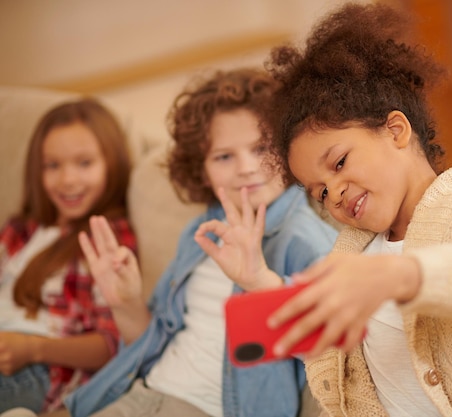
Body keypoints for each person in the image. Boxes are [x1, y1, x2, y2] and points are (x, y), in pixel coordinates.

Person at [200, 3, 452, 417]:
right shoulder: (356, 247)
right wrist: (259, 280)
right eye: (318, 192)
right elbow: (320, 337)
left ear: (395, 130)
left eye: (338, 163)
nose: (334, 193)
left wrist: (394, 276)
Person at [59, 68, 337, 417]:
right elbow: (153, 343)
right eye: (224, 156)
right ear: (202, 170)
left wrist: (260, 282)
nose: (247, 168)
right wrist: (126, 302)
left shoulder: (303, 237)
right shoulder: (200, 231)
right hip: (141, 395)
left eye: (262, 148)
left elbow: (335, 351)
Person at [0, 99, 136, 413]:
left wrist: (32, 349)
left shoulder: (108, 236)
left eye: (84, 163)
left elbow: (111, 343)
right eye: (53, 165)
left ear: (111, 164)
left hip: (38, 367)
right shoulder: (20, 229)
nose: (68, 179)